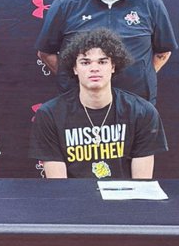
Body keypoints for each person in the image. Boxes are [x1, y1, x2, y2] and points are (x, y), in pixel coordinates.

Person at [34, 0, 177, 104]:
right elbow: (45, 52)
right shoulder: (65, 6)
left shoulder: (151, 4)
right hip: (80, 106)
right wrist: (72, 78)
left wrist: (140, 75)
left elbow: (163, 52)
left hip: (137, 105)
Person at [30, 28, 167, 179]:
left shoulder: (142, 112)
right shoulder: (50, 114)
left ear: (113, 66)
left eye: (102, 62)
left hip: (125, 200)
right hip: (75, 200)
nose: (94, 68)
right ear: (75, 68)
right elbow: (59, 188)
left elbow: (142, 186)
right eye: (85, 62)